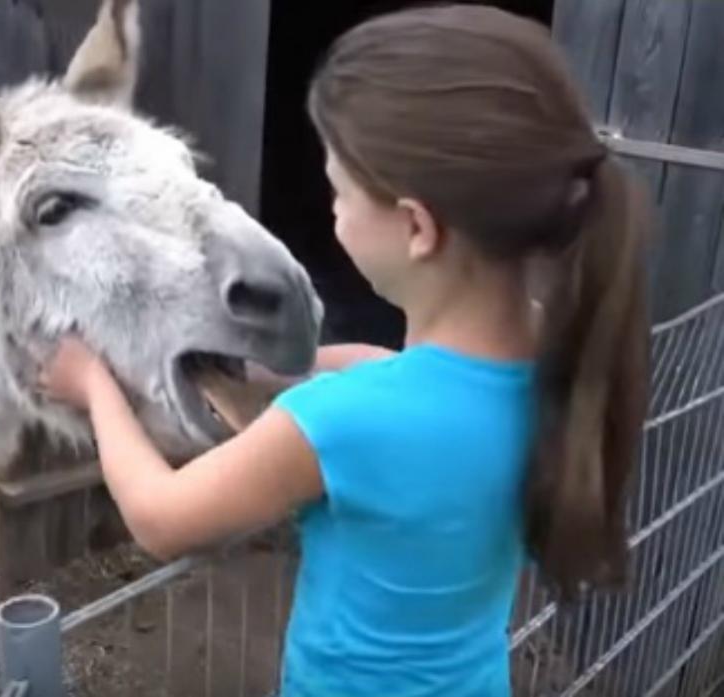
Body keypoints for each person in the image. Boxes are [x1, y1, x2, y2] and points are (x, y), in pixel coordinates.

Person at [38, 5, 651, 696]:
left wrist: (91, 384)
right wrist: (270, 374)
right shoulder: (554, 354)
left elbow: (162, 516)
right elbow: (400, 380)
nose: (331, 211)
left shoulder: (342, 422)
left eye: (339, 192)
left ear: (416, 226)